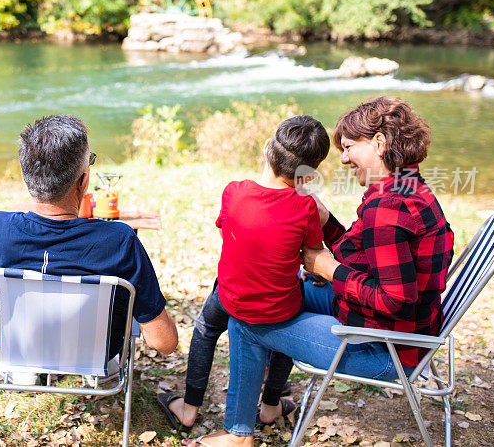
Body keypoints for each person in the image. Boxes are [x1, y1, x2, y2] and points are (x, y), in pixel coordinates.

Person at [185, 97, 454, 447]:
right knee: (279, 292)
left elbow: (396, 301)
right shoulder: (403, 188)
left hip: (385, 350)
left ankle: (238, 434)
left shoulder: (388, 210)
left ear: (379, 143)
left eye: (348, 147)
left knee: (245, 322)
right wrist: (327, 224)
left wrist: (331, 270)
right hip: (382, 323)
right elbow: (367, 257)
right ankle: (268, 407)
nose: (343, 159)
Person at [158, 115, 330, 433]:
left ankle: (189, 407)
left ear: (267, 148)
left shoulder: (234, 191)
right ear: (309, 174)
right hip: (277, 306)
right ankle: (270, 406)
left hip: (231, 297)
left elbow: (231, 238)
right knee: (292, 314)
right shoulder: (305, 206)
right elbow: (311, 255)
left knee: (206, 329)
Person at [0, 114, 178, 367]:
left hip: (21, 348)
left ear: (27, 177)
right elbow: (163, 342)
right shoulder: (119, 240)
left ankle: (29, 369)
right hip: (95, 355)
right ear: (83, 180)